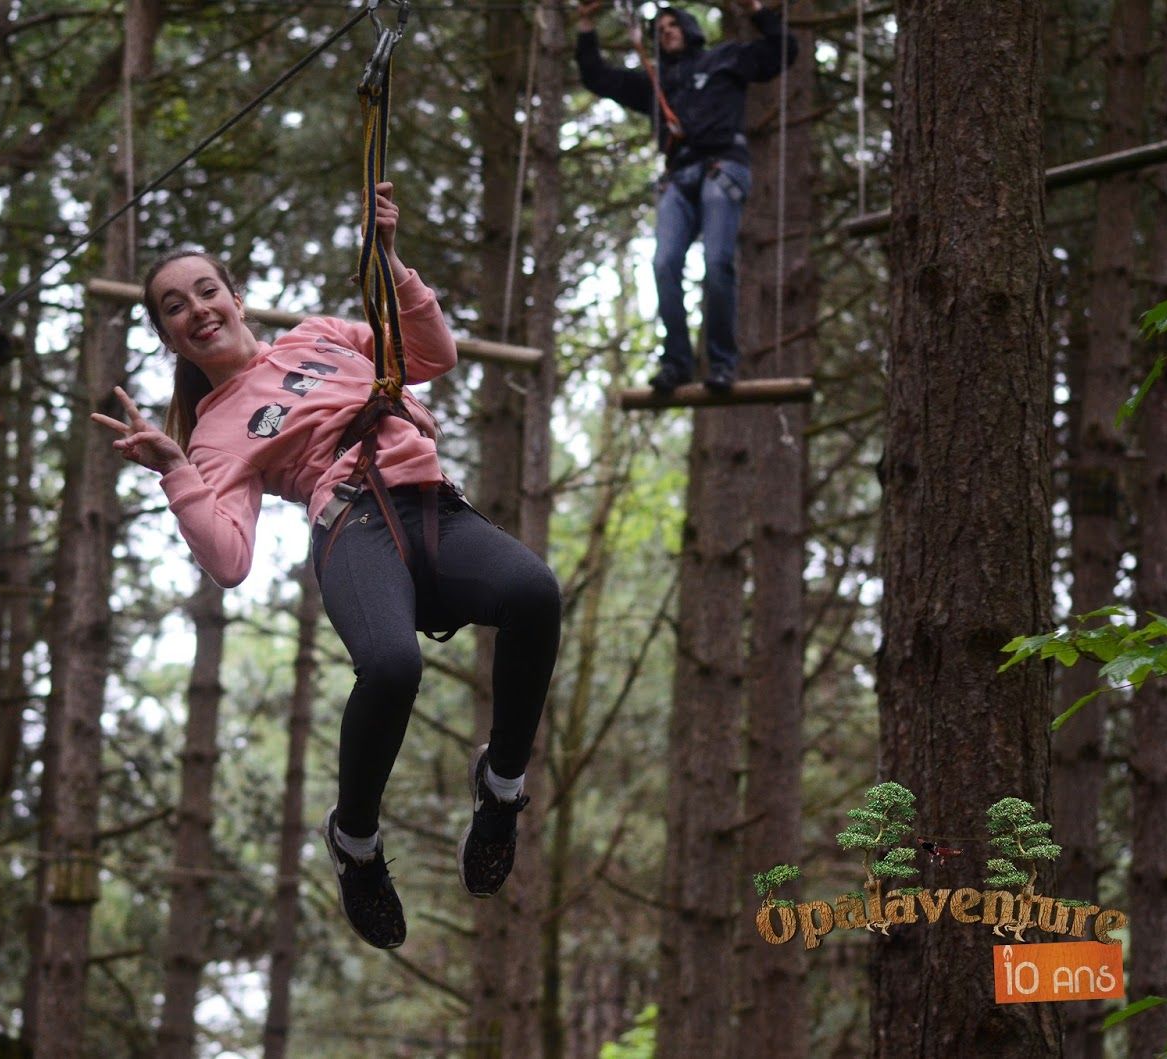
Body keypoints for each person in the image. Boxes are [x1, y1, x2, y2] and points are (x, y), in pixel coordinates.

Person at [93, 182, 563, 950]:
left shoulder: (316, 335)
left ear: (236, 297)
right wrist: (177, 470)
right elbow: (230, 561)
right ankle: (355, 839)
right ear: (169, 337)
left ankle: (502, 786)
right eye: (175, 307)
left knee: (534, 592)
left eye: (206, 289)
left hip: (431, 505)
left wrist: (391, 263)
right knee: (389, 665)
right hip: (354, 526)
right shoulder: (215, 432)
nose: (197, 308)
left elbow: (431, 355)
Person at [575, 0, 796, 394]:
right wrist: (587, 26)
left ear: (690, 28)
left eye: (673, 25)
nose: (666, 32)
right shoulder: (656, 83)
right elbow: (598, 78)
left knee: (718, 262)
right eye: (659, 29)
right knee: (664, 263)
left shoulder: (726, 60)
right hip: (679, 176)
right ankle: (676, 363)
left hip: (721, 169)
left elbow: (782, 51)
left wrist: (759, 12)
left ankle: (723, 364)